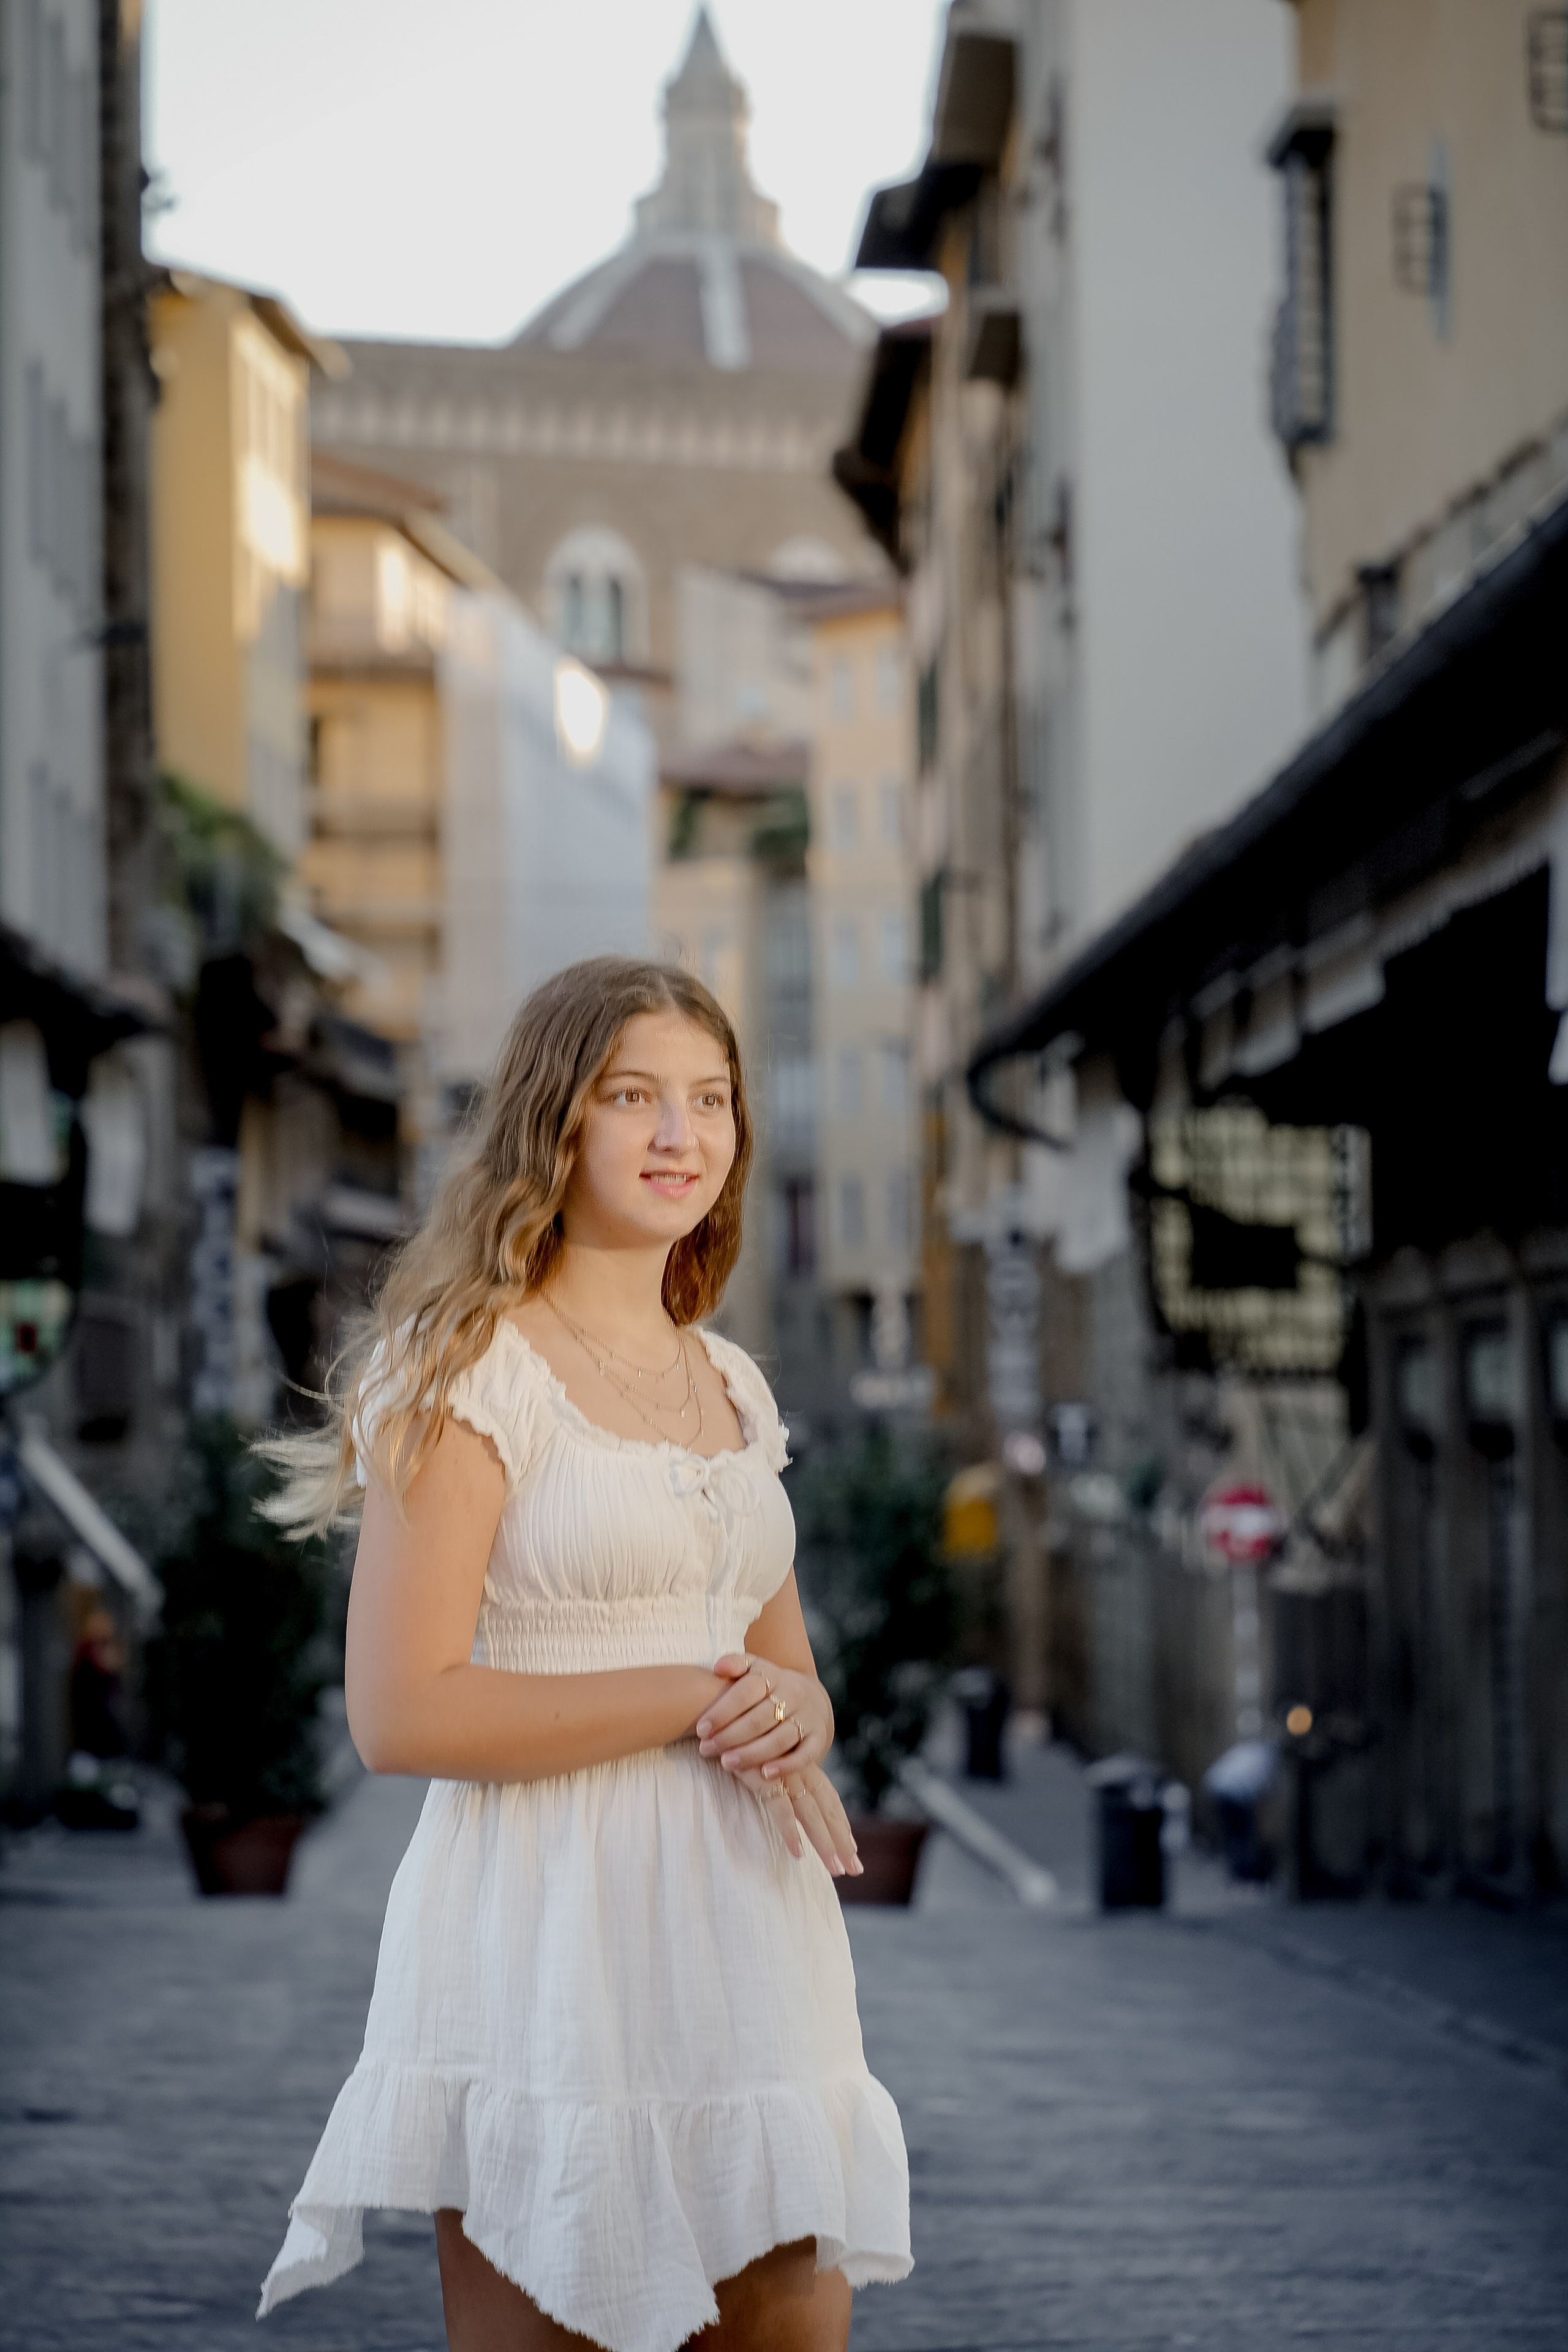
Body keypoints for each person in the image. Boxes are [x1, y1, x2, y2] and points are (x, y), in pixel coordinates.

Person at [257, 957, 911, 2352]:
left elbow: (781, 1673)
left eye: (710, 1100)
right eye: (633, 1098)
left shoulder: (732, 1383)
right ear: (554, 1122)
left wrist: (802, 1706)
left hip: (751, 1939)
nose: (682, 1136)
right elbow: (401, 1714)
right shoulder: (464, 1367)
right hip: (544, 1935)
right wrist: (688, 1696)